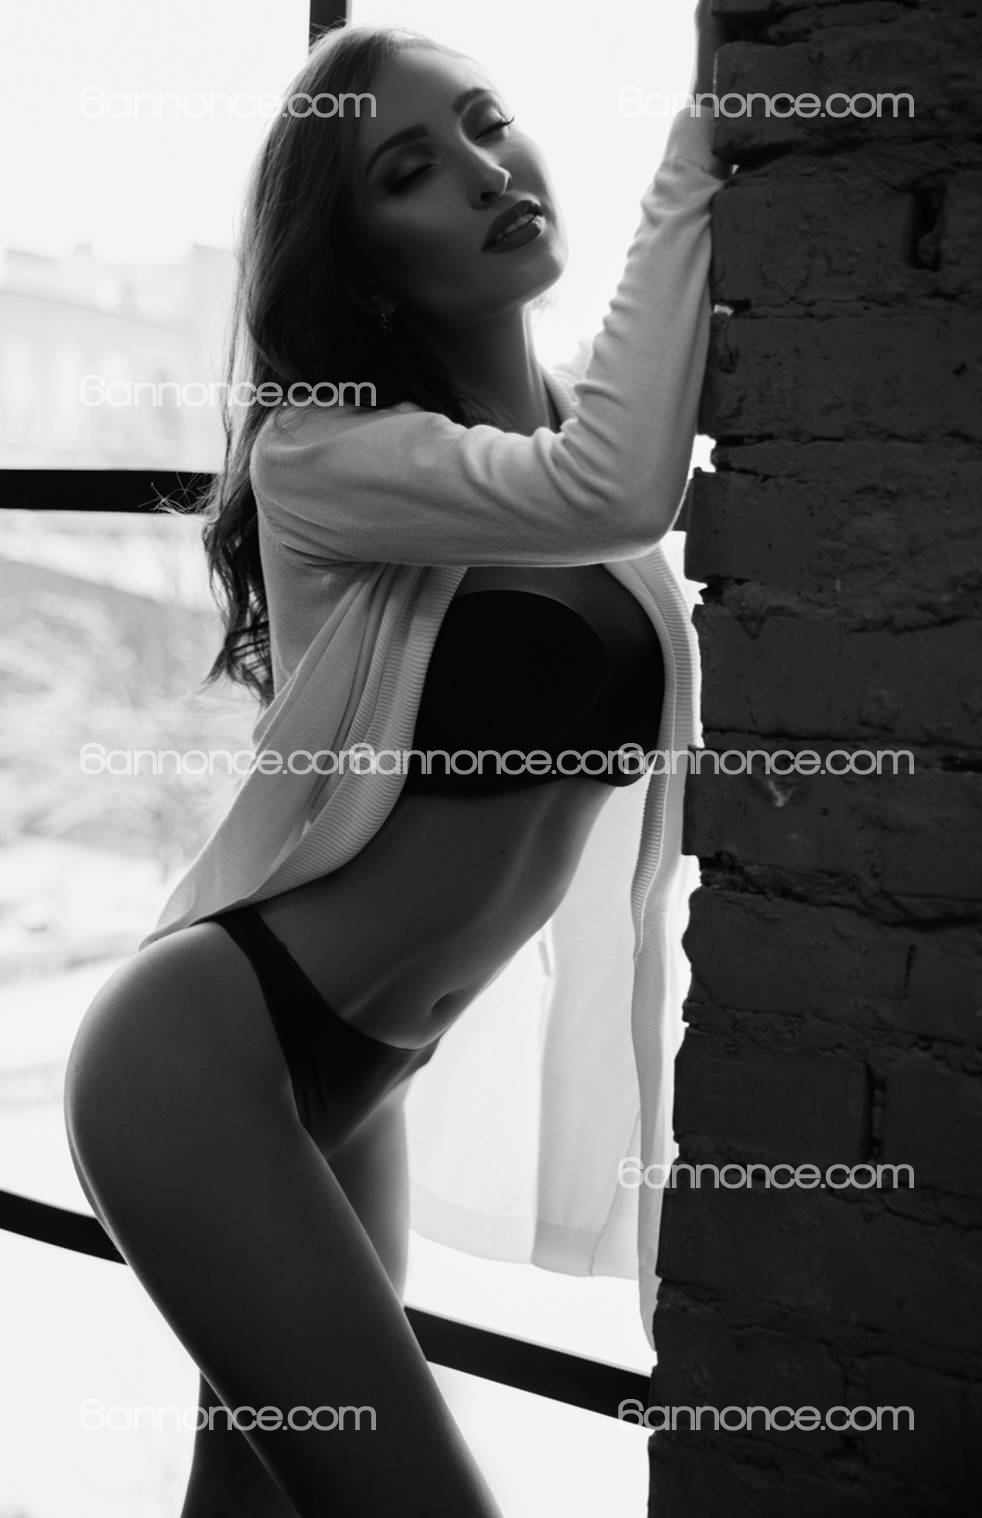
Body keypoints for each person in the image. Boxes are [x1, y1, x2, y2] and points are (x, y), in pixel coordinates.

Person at [63, 10, 732, 1516]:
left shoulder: (561, 427)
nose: (486, 172)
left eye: (489, 123)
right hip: (207, 1050)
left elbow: (615, 440)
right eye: (412, 170)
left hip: (364, 1072)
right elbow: (615, 489)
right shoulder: (327, 454)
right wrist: (703, 132)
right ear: (362, 270)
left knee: (252, 1498)